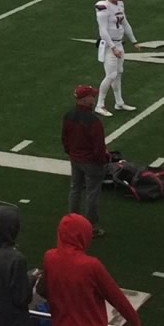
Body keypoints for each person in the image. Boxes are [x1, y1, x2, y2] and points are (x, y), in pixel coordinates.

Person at [61, 86, 108, 234]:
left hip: (75, 158)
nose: (94, 99)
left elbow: (65, 138)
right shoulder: (93, 121)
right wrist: (102, 161)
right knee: (92, 194)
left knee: (75, 189)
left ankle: (72, 220)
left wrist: (70, 152)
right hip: (91, 162)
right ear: (85, 99)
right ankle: (91, 227)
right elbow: (99, 146)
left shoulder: (68, 115)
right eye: (91, 96)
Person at [93, 0, 137, 113]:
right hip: (109, 44)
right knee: (111, 75)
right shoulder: (103, 7)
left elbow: (125, 23)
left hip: (119, 42)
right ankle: (99, 105)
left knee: (118, 73)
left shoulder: (120, 4)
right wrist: (113, 47)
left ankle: (119, 102)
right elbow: (103, 31)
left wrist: (134, 41)